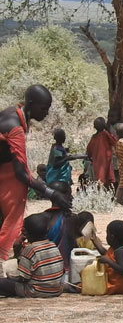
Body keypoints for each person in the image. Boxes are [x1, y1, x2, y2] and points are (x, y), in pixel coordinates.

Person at [0, 85, 71, 264]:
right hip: (7, 177)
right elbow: (22, 174)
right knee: (11, 217)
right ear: (31, 103)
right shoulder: (15, 128)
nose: (46, 113)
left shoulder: (12, 113)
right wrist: (51, 193)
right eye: (43, 108)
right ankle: (5, 257)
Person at [0, 213, 64, 298]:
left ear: (25, 232)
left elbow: (23, 278)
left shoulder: (30, 249)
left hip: (35, 291)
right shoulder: (53, 245)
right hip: (56, 290)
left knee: (3, 283)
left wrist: (11, 278)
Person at [91, 220, 123, 295]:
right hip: (118, 283)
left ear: (112, 237)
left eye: (107, 234)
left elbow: (122, 270)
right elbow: (107, 255)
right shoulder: (117, 247)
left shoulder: (120, 251)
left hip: (118, 284)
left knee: (93, 286)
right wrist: (96, 243)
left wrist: (108, 261)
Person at [42, 181, 76, 271]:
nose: (72, 197)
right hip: (66, 268)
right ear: (61, 196)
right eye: (69, 194)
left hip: (44, 268)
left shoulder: (41, 218)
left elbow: (19, 242)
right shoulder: (71, 219)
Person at [86, 117, 117, 188]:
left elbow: (89, 150)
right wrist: (108, 130)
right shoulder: (105, 134)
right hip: (106, 160)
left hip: (97, 162)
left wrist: (90, 157)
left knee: (100, 178)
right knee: (106, 178)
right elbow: (114, 141)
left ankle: (101, 194)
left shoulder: (94, 137)